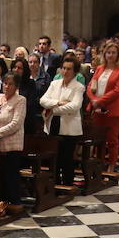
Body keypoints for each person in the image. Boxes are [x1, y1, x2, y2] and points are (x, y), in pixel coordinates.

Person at [40, 56, 86, 190]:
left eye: (69, 69)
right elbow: (43, 101)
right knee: (55, 158)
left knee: (66, 159)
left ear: (75, 71)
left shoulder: (79, 87)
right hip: (53, 124)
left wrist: (53, 109)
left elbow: (75, 106)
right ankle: (54, 183)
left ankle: (67, 185)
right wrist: (58, 103)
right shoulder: (55, 84)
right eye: (64, 68)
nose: (65, 72)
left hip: (69, 128)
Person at [0, 73, 28, 212]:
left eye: (10, 84)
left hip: (10, 145)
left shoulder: (20, 100)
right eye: (5, 83)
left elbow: (16, 123)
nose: (7, 86)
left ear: (16, 87)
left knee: (9, 175)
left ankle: (12, 202)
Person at [86, 42, 119, 172]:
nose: (110, 55)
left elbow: (117, 90)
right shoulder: (99, 68)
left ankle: (111, 164)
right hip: (97, 108)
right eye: (108, 52)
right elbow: (90, 86)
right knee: (98, 137)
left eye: (113, 53)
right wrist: (94, 100)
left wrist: (100, 101)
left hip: (112, 109)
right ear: (104, 54)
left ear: (117, 55)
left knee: (112, 139)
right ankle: (99, 162)